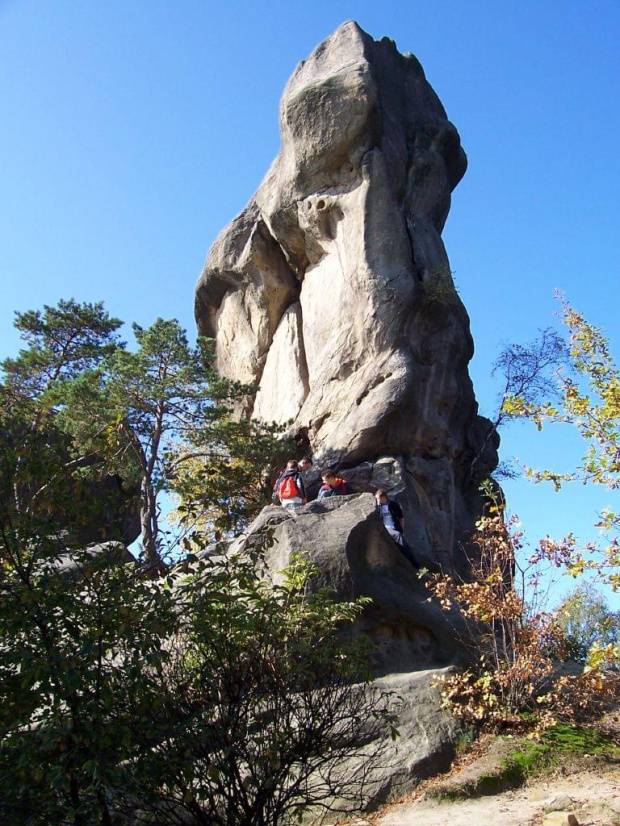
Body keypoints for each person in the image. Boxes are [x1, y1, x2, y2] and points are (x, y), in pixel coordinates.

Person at [374, 488, 418, 568]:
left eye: (378, 499)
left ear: (384, 497)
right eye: (376, 499)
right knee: (398, 537)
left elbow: (401, 517)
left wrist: (402, 529)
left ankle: (415, 565)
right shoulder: (377, 507)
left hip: (394, 528)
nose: (377, 501)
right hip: (385, 529)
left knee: (402, 542)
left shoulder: (393, 505)